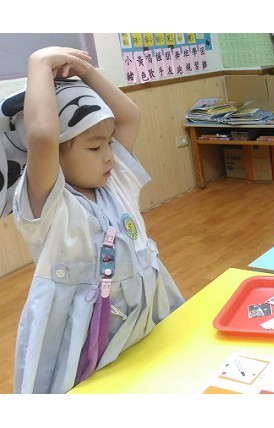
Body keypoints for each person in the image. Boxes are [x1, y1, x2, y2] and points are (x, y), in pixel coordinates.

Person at [11, 46, 185, 393]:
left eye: (109, 143)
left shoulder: (115, 181)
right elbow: (43, 137)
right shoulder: (51, 205)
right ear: (56, 155)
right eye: (95, 147)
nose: (109, 155)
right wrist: (39, 63)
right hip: (78, 342)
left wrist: (86, 72)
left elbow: (130, 116)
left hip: (139, 325)